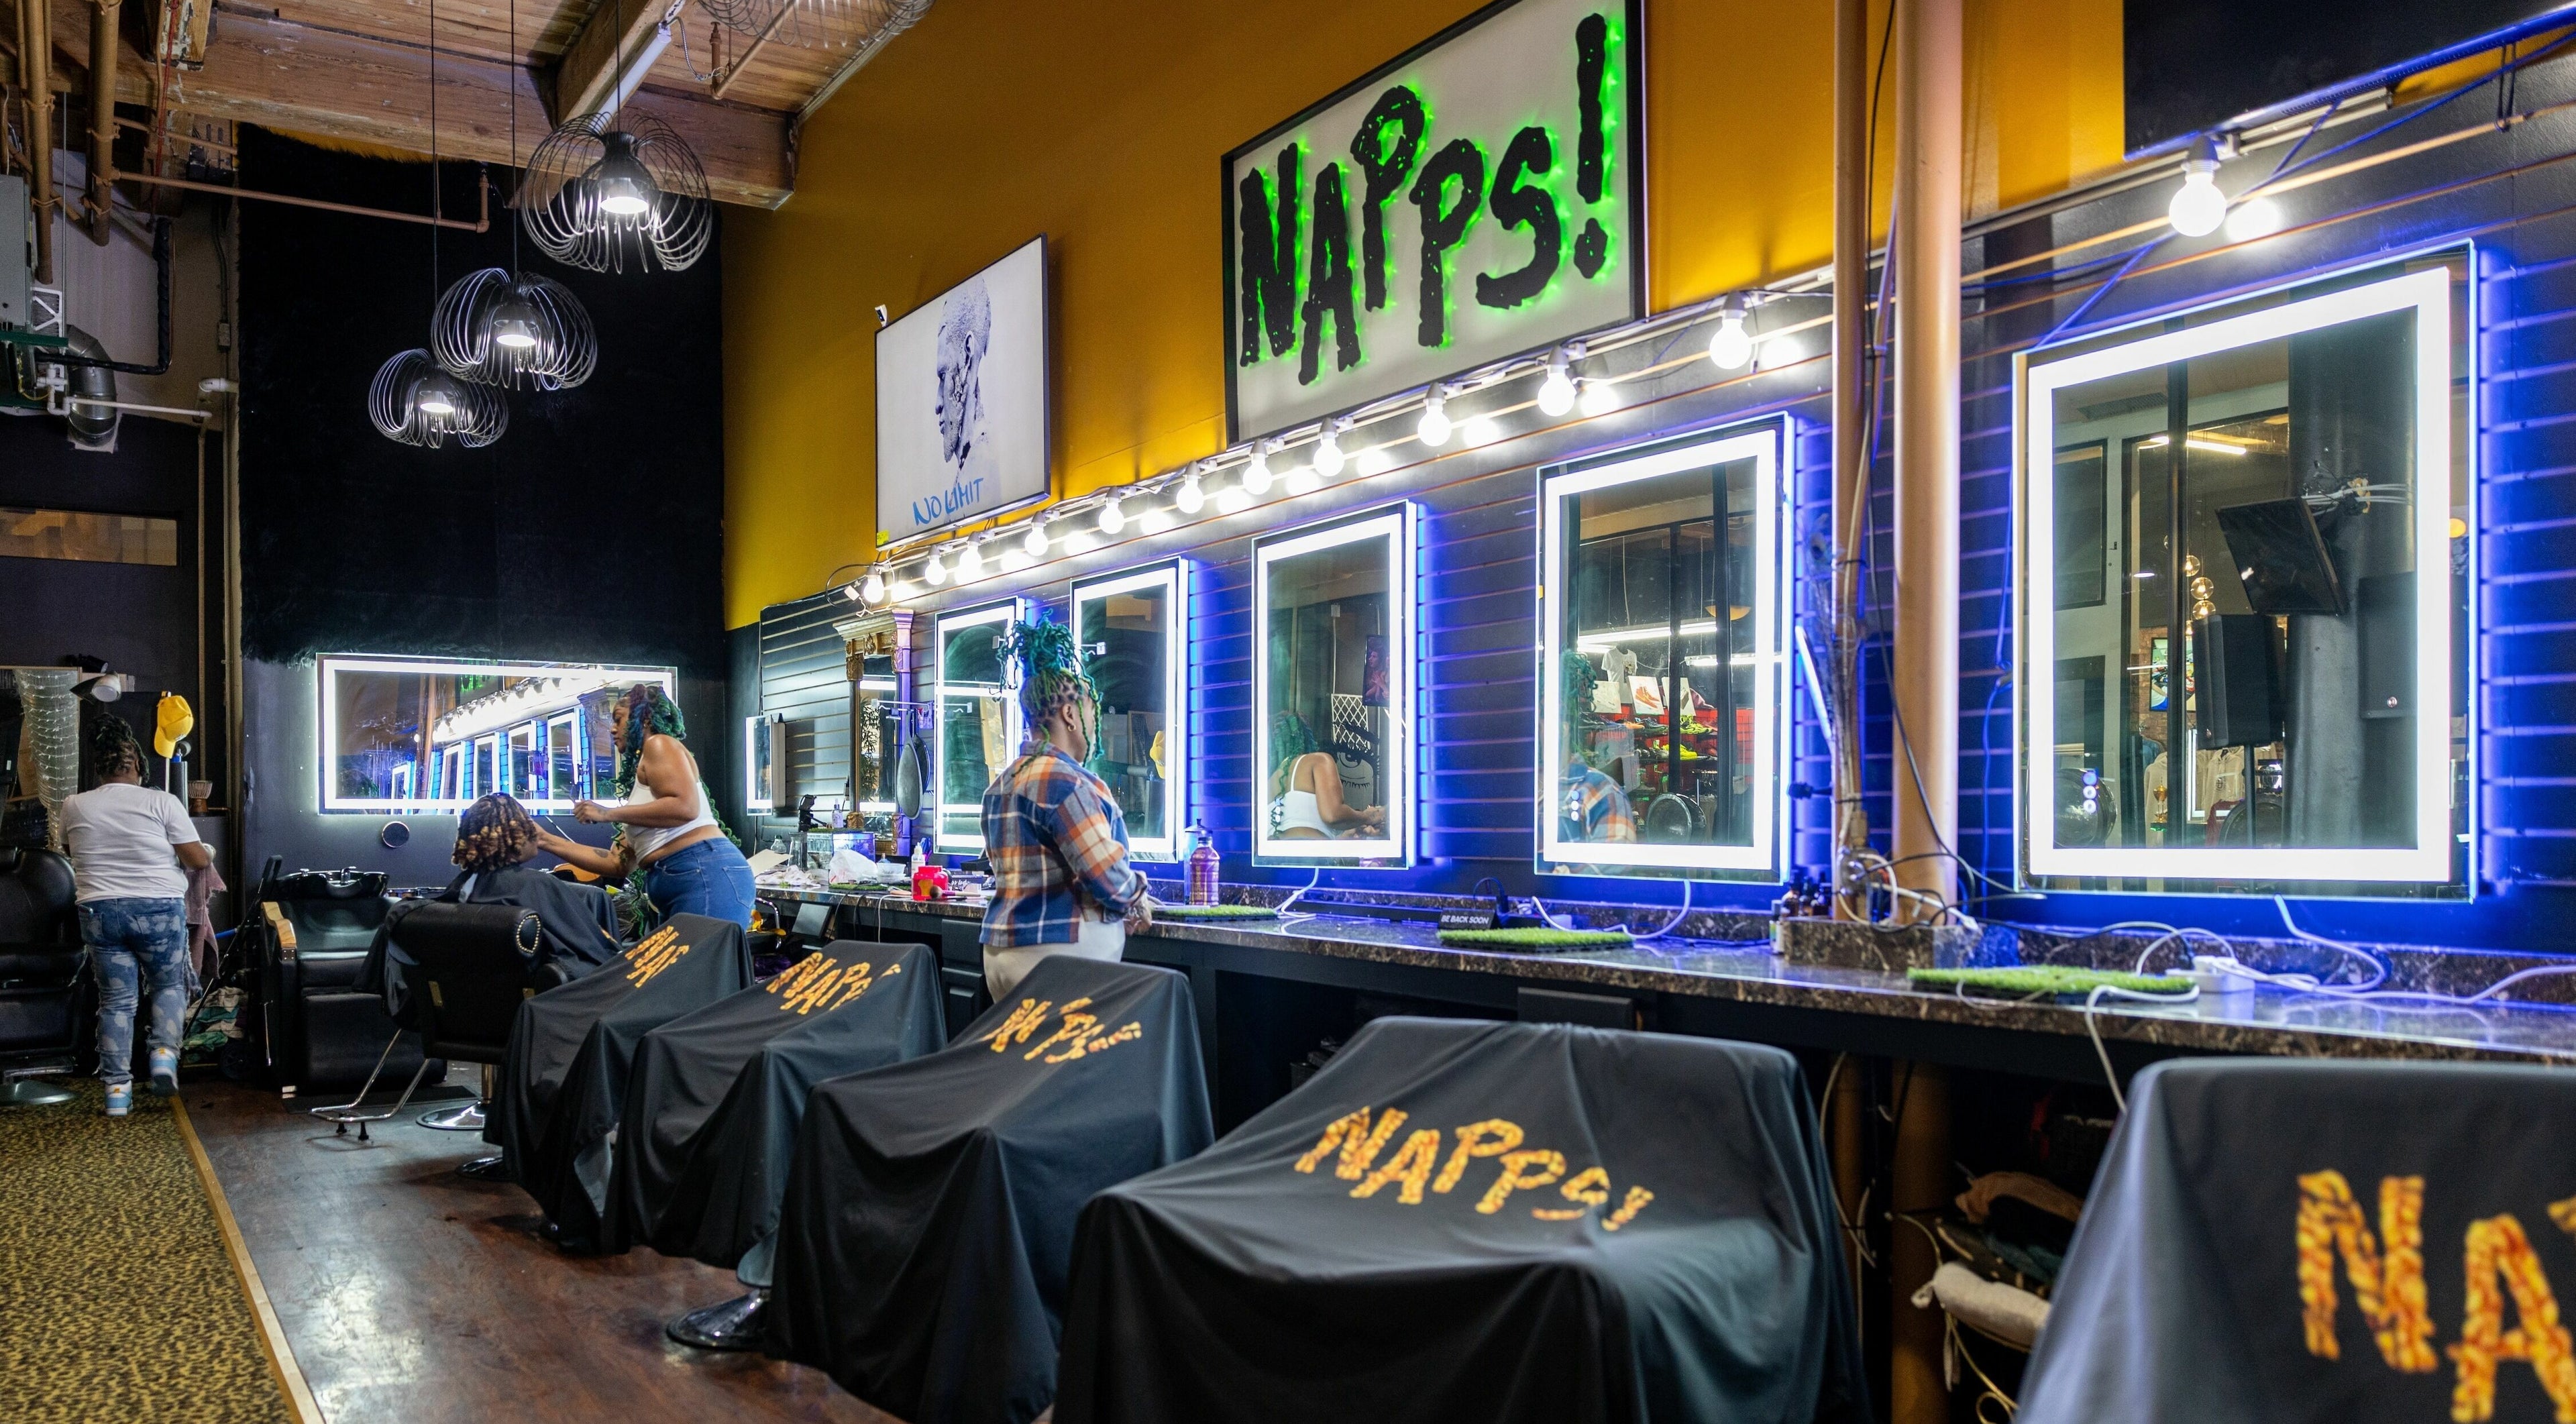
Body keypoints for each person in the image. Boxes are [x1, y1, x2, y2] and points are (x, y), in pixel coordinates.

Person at [979, 617, 1149, 998]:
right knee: (1070, 1059)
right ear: (1070, 715)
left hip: (1001, 954)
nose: (1094, 719)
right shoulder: (1066, 781)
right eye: (1091, 709)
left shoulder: (1001, 784)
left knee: (1021, 1058)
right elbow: (1102, 873)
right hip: (1058, 955)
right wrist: (1136, 896)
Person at [58, 718, 211, 1117]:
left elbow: (67, 848)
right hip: (157, 909)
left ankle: (116, 1094)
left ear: (99, 771)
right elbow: (195, 860)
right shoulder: (161, 801)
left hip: (100, 912)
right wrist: (208, 852)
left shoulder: (74, 805)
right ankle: (163, 1055)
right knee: (168, 986)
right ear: (139, 768)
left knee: (116, 1002)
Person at [535, 685, 754, 929]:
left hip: (704, 875)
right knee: (673, 967)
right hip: (687, 880)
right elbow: (617, 864)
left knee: (695, 966)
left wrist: (606, 813)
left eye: (618, 719)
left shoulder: (659, 744)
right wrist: (544, 840)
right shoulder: (645, 796)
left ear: (646, 718)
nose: (612, 729)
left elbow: (685, 807)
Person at [448, 793, 623, 975]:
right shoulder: (538, 886)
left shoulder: (462, 886)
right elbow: (595, 951)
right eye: (527, 823)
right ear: (518, 834)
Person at [1265, 712, 1383, 839]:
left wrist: (1348, 833)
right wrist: (1369, 816)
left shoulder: (1267, 782)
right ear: (1304, 737)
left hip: (1272, 858)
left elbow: (1297, 829)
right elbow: (1333, 816)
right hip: (1309, 857)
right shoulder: (1318, 761)